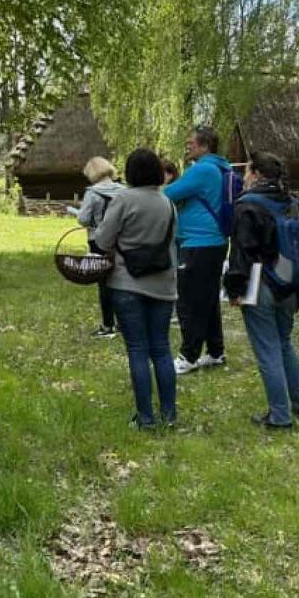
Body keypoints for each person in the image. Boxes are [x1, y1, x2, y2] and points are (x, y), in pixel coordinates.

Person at [224, 153, 299, 428]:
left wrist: (234, 289)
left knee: (268, 350)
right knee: (284, 343)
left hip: (260, 284)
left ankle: (280, 416)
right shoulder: (295, 203)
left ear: (257, 174)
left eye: (248, 172)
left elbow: (242, 251)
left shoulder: (247, 206)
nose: (245, 178)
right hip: (291, 282)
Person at [94, 148, 178, 429]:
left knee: (138, 350)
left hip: (127, 282)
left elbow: (103, 240)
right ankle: (169, 414)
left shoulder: (123, 200)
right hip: (163, 284)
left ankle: (145, 418)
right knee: (162, 349)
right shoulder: (168, 203)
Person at [163, 125, 231, 374]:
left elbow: (168, 193)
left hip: (198, 243)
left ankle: (188, 356)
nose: (188, 146)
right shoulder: (220, 167)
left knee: (190, 301)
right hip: (214, 242)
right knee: (208, 299)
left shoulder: (202, 169)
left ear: (204, 146)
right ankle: (215, 351)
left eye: (192, 143)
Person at [76, 156, 125, 338]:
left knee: (104, 282)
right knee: (120, 280)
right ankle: (122, 322)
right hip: (121, 240)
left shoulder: (92, 193)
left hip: (98, 240)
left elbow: (83, 219)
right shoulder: (123, 190)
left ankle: (107, 324)